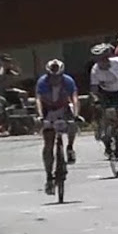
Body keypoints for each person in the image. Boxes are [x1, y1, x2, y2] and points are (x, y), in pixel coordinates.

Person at [35, 59, 80, 194]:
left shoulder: (68, 81)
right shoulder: (42, 82)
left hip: (63, 108)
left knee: (72, 124)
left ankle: (70, 147)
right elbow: (38, 99)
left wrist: (76, 114)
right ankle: (49, 176)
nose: (55, 80)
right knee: (48, 143)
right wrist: (40, 116)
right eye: (52, 77)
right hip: (48, 110)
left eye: (58, 77)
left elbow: (74, 98)